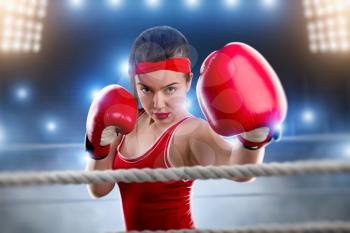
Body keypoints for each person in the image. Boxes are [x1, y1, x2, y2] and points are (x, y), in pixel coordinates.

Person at [85, 25, 287, 231]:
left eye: (170, 89)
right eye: (146, 89)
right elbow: (98, 189)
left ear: (188, 81)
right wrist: (99, 146)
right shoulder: (127, 121)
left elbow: (240, 172)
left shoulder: (190, 132)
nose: (158, 103)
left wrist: (253, 139)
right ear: (135, 82)